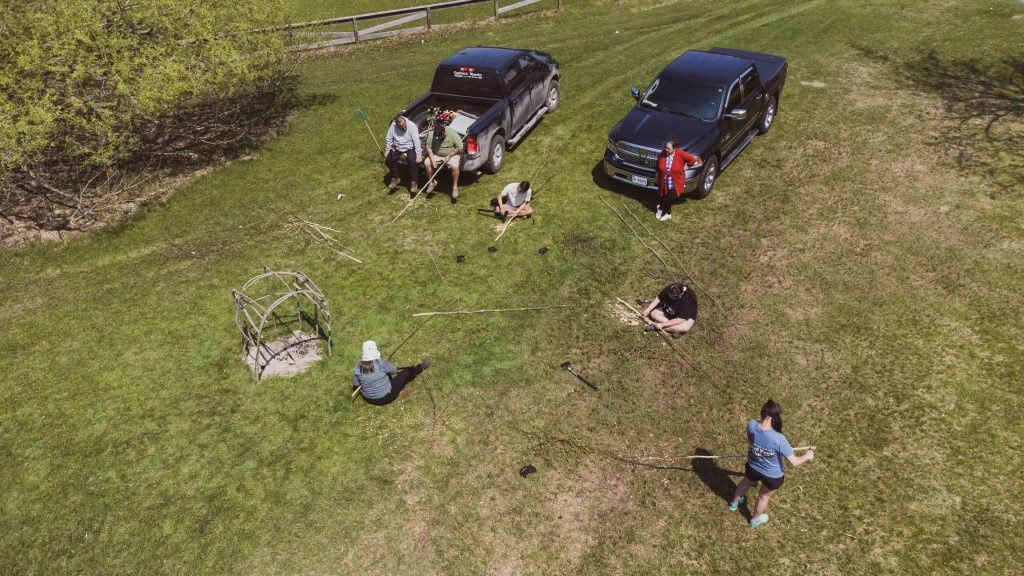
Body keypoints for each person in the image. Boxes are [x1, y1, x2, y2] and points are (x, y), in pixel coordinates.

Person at [729, 400, 815, 527]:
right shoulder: (779, 439)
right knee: (763, 497)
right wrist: (808, 456)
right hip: (772, 476)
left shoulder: (752, 424)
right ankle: (754, 520)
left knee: (746, 482)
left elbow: (751, 440)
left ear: (763, 413)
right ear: (775, 417)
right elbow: (795, 462)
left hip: (753, 466)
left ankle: (734, 504)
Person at [352, 340, 431, 406]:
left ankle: (397, 390)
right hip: (386, 398)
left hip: (368, 399)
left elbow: (356, 384)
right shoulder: (381, 363)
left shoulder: (357, 367)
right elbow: (394, 371)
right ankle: (420, 368)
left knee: (386, 376)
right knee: (405, 373)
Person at [655, 139, 700, 221]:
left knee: (670, 198)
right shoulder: (663, 154)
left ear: (674, 148)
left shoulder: (680, 154)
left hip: (675, 182)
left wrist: (686, 167)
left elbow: (693, 160)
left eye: (668, 148)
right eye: (666, 147)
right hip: (664, 182)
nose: (666, 149)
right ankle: (668, 213)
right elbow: (658, 165)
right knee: (664, 196)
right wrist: (657, 175)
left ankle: (660, 207)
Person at [423, 123, 464, 203]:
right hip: (437, 154)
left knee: (455, 166)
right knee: (426, 163)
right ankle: (432, 182)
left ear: (444, 133)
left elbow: (460, 148)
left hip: (452, 154)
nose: (438, 139)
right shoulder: (432, 135)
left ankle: (455, 187)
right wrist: (432, 160)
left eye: (440, 137)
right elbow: (429, 149)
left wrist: (449, 155)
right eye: (436, 137)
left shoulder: (452, 134)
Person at [384, 115, 422, 195]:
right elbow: (389, 138)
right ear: (396, 124)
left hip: (409, 146)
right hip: (398, 146)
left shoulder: (412, 126)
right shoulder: (393, 125)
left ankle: (414, 182)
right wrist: (387, 150)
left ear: (404, 121)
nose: (403, 127)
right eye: (400, 126)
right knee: (389, 159)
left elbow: (416, 141)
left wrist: (418, 155)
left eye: (404, 125)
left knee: (412, 160)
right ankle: (395, 178)